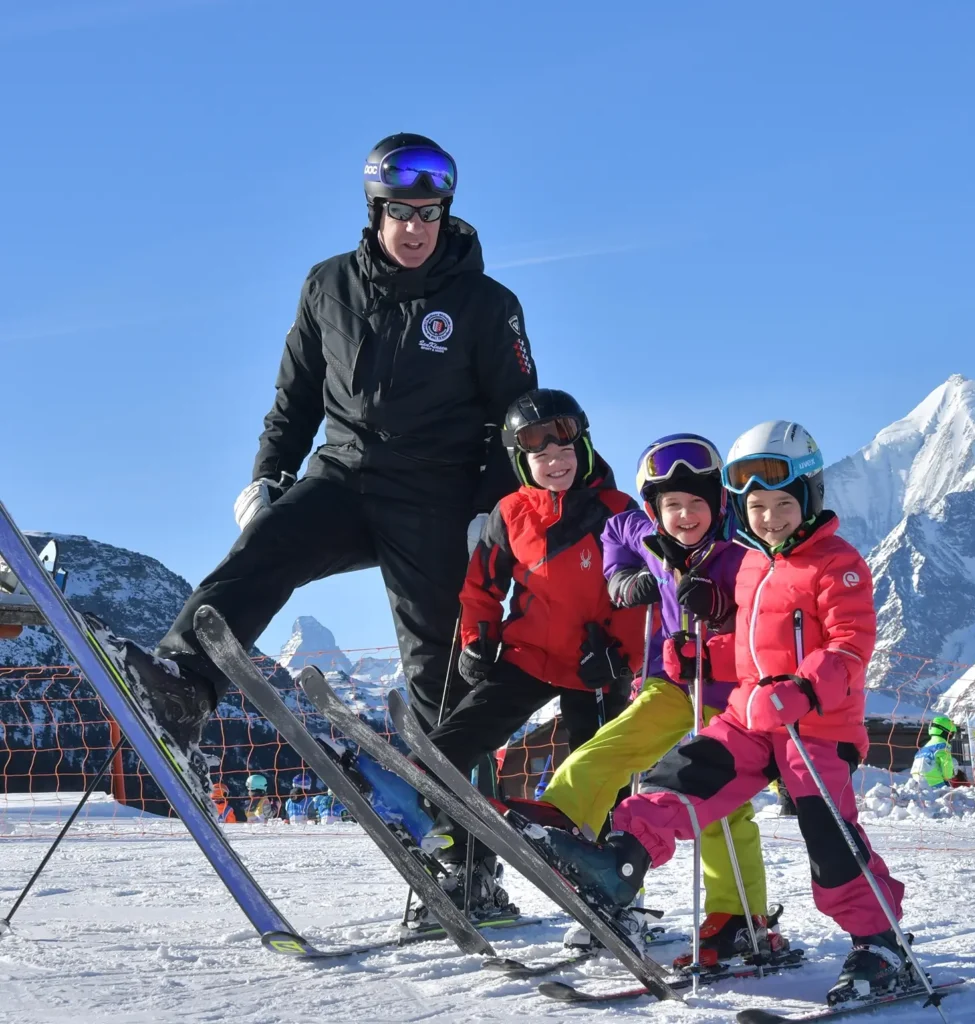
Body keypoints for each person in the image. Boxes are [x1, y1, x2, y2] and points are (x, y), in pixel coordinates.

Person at [101, 132, 538, 781]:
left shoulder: (487, 306)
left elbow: (518, 422)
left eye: (428, 214)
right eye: (400, 212)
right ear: (375, 209)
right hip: (341, 476)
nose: (415, 228)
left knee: (440, 670)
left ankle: (461, 846)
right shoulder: (326, 285)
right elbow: (295, 398)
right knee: (264, 549)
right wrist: (268, 477)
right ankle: (183, 686)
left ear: (444, 215)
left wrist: (490, 513)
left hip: (436, 495)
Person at [539, 420, 908, 1004]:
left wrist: (804, 689)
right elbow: (740, 650)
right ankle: (620, 864)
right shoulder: (756, 565)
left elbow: (849, 644)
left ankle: (880, 944)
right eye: (757, 506)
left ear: (810, 498)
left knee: (829, 839)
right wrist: (690, 653)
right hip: (749, 717)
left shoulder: (836, 564)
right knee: (680, 776)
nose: (770, 517)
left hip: (813, 726)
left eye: (784, 503)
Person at [531, 433, 782, 963]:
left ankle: (738, 917)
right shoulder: (644, 533)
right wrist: (622, 579)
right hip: (671, 686)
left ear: (718, 505)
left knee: (717, 804)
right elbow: (615, 533)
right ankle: (558, 822)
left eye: (697, 504)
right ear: (656, 509)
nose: (686, 516)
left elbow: (769, 615)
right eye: (673, 506)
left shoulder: (743, 559)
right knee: (613, 746)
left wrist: (722, 605)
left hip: (731, 695)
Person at [404, 389, 646, 922]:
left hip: (594, 667)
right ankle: (440, 830)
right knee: (457, 740)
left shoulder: (618, 512)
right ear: (522, 460)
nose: (555, 464)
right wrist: (478, 638)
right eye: (541, 456)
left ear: (582, 447)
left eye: (564, 452)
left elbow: (634, 593)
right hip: (527, 654)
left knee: (596, 779)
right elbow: (481, 587)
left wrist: (622, 657)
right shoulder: (510, 513)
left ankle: (609, 893)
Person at [910, 716, 959, 788]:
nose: (951, 737)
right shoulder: (942, 745)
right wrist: (949, 776)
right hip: (934, 782)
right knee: (953, 761)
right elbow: (946, 763)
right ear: (946, 732)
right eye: (951, 734)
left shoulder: (923, 748)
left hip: (917, 781)